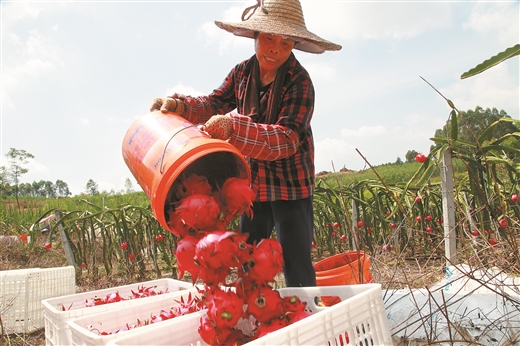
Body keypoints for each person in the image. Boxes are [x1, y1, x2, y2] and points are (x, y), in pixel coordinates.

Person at [150, 0, 341, 287]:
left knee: (296, 259)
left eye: (286, 42)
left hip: (291, 184)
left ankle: (306, 317)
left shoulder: (299, 81)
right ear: (255, 36)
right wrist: (180, 106)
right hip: (252, 186)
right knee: (247, 256)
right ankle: (255, 310)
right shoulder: (241, 73)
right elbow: (214, 103)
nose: (275, 48)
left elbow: (287, 138)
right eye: (268, 38)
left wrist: (233, 127)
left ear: (294, 45)